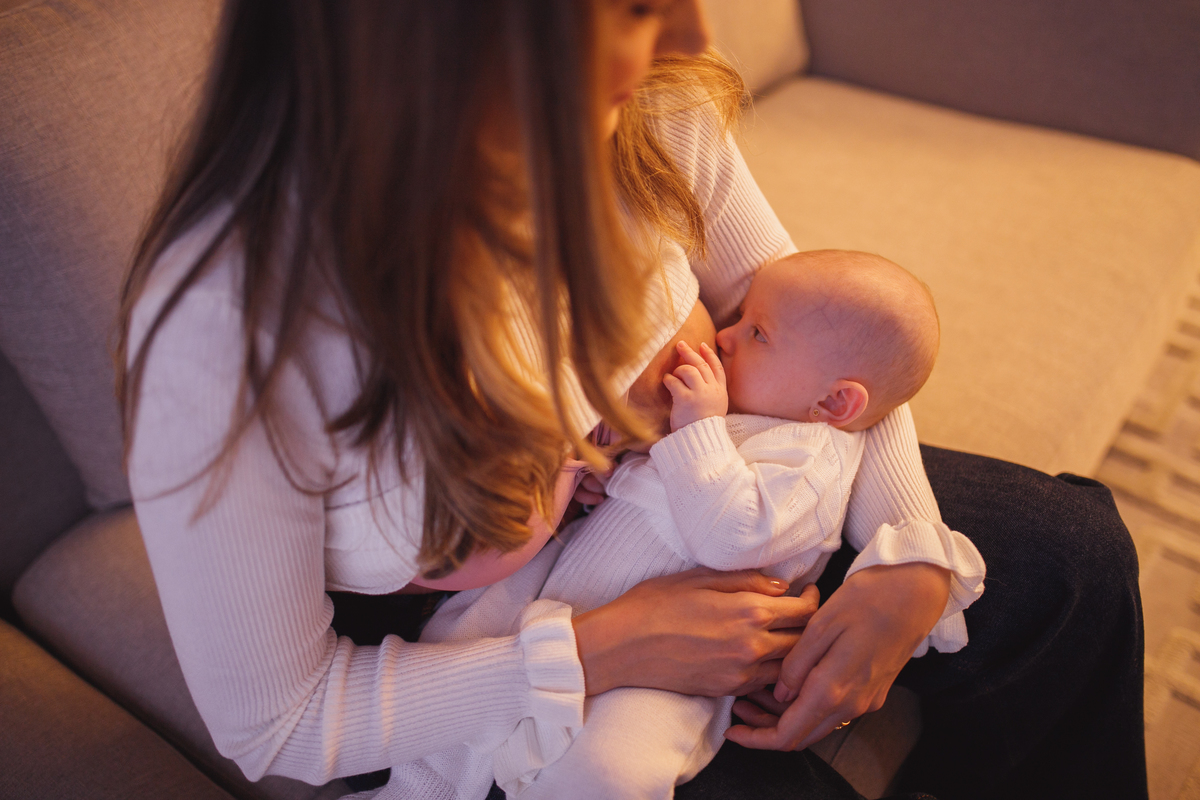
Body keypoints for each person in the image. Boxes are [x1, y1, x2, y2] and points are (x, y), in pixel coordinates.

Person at [115, 2, 1146, 799]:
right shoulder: (231, 324)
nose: (694, 31)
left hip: (695, 481)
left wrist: (910, 552)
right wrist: (605, 646)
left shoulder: (648, 93)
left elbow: (814, 316)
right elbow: (275, 718)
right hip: (474, 634)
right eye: (630, 1)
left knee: (1073, 560)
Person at [405, 250, 986, 799]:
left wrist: (696, 432)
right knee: (459, 640)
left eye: (756, 334)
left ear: (835, 405)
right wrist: (611, 479)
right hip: (560, 595)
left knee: (610, 766)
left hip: (675, 672)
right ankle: (420, 786)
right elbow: (662, 492)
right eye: (739, 320)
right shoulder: (749, 407)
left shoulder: (811, 461)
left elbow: (732, 535)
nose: (726, 337)